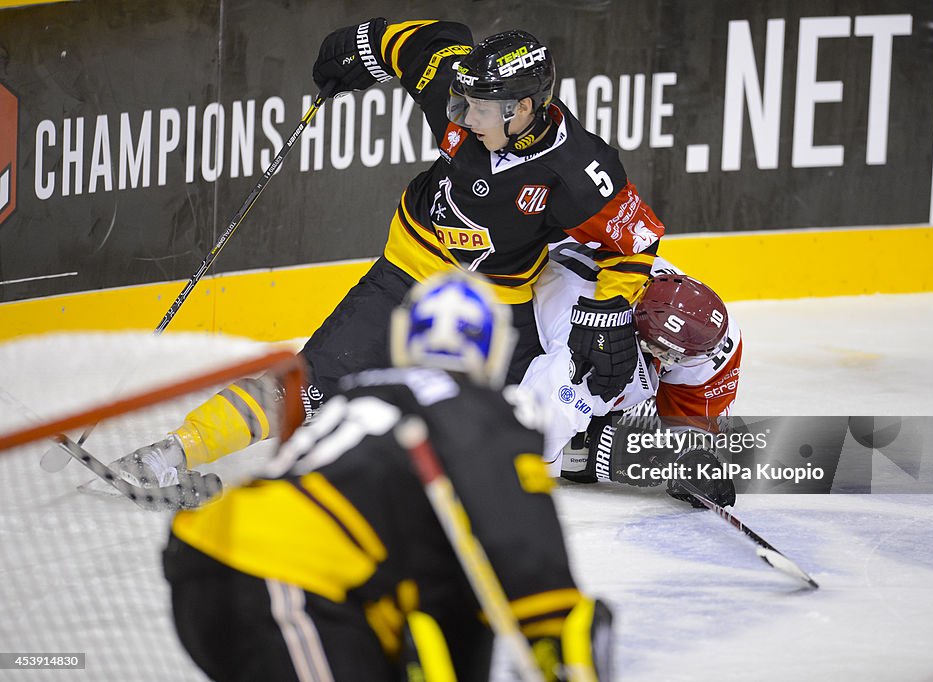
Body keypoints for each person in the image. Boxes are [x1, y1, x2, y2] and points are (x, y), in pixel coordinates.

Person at [113, 18, 664, 491]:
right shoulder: (461, 99)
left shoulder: (579, 170)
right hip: (408, 272)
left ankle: (633, 450)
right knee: (311, 385)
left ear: (523, 109)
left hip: (493, 304)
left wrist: (611, 313)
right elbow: (423, 43)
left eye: (481, 110)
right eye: (463, 103)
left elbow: (633, 243)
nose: (465, 118)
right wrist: (360, 45)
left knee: (521, 430)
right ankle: (175, 452)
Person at [163, 271, 614, 681]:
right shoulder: (488, 409)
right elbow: (521, 542)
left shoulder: (358, 392)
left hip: (207, 562)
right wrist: (554, 628)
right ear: (494, 348)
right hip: (279, 579)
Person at [519, 239, 741, 508]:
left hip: (568, 264)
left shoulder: (710, 333)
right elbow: (528, 445)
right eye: (671, 355)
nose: (684, 363)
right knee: (582, 452)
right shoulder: (588, 351)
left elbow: (697, 416)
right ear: (643, 338)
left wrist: (695, 455)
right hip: (527, 320)